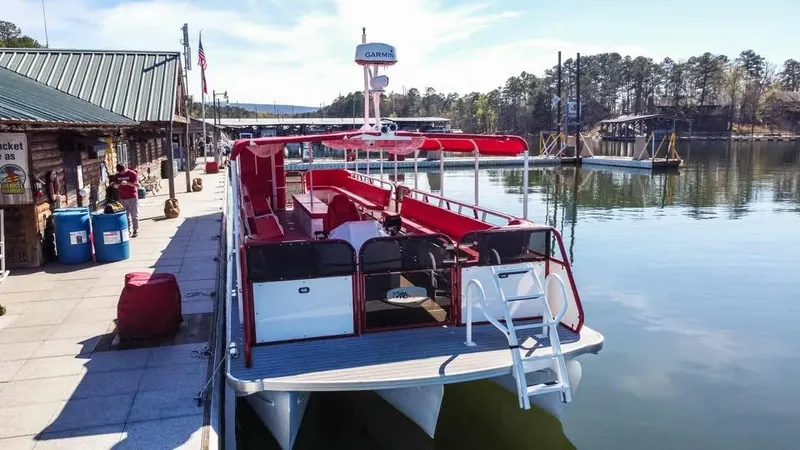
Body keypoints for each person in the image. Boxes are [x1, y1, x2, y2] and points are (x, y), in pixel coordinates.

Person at [114, 163, 139, 237]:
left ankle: (135, 230)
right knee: (125, 215)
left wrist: (127, 183)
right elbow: (115, 183)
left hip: (132, 196)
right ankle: (127, 230)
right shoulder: (118, 175)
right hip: (122, 197)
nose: (121, 173)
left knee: (134, 214)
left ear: (125, 168)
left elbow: (137, 185)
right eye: (120, 172)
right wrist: (115, 185)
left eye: (122, 171)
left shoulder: (132, 174)